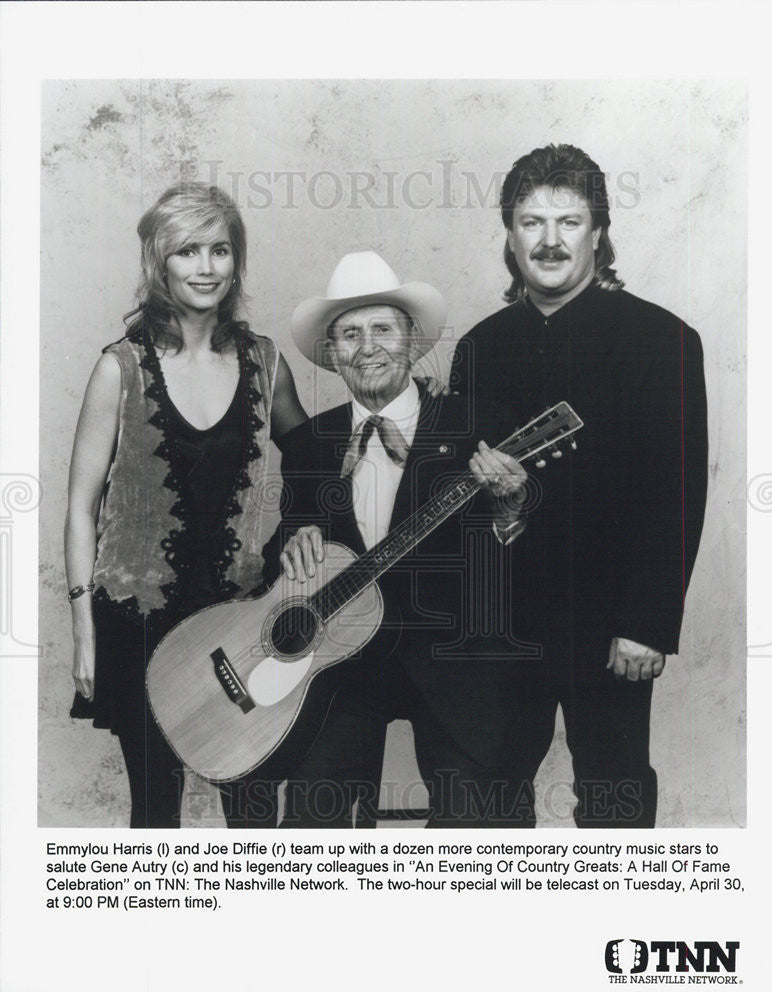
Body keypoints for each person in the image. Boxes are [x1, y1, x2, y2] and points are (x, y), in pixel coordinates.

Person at [451, 143, 708, 827]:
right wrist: (499, 510)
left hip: (612, 624)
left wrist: (645, 625)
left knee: (614, 796)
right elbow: (456, 505)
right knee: (489, 805)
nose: (550, 240)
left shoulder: (664, 341)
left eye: (569, 221)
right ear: (510, 236)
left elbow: (676, 494)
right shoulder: (479, 347)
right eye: (531, 222)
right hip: (503, 627)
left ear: (599, 232)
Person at [262, 250, 533, 827]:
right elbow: (279, 552)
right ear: (332, 356)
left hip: (455, 662)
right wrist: (292, 543)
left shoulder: (480, 422)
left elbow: (528, 551)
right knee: (310, 828)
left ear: (412, 341)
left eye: (383, 328)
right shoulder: (310, 443)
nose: (368, 346)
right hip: (341, 671)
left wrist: (510, 509)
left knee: (480, 831)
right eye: (350, 335)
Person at [65, 183, 307, 828]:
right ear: (159, 263)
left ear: (237, 260)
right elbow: (80, 508)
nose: (205, 267)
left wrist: (411, 405)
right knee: (156, 810)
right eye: (187, 251)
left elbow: (314, 460)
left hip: (236, 615)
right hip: (136, 618)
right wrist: (83, 629)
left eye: (220, 250)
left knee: (252, 806)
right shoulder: (120, 368)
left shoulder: (264, 362)